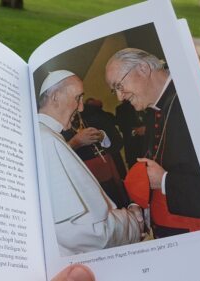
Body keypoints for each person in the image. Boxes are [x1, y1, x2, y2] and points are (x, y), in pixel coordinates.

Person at [105, 48, 200, 238]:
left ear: (142, 68)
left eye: (119, 85)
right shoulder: (154, 110)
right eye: (114, 89)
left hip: (198, 233)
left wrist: (165, 180)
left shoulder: (192, 101)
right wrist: (138, 203)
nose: (119, 97)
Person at [37, 70, 144, 256]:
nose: (80, 108)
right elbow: (87, 233)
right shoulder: (47, 140)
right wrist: (133, 221)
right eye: (78, 98)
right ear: (55, 97)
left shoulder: (46, 134)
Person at [115, 100, 147, 169]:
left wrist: (147, 128)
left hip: (147, 143)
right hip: (132, 145)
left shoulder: (144, 102)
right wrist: (135, 130)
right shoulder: (121, 108)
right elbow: (122, 127)